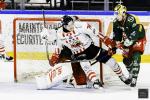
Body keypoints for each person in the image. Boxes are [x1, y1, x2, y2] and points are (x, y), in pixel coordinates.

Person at [41, 15, 131, 89]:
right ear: (64, 26)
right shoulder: (59, 34)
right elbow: (58, 47)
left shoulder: (81, 26)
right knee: (86, 66)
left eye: (72, 23)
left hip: (91, 49)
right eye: (69, 25)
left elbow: (97, 33)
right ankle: (95, 81)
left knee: (111, 61)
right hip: (78, 53)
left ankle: (122, 76)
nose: (72, 26)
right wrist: (54, 57)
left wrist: (109, 43)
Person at [112, 4, 147, 87]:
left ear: (123, 13)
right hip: (128, 39)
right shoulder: (116, 22)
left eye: (117, 13)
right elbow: (117, 36)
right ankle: (131, 75)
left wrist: (126, 43)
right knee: (126, 60)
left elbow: (134, 34)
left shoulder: (131, 19)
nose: (116, 15)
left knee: (136, 56)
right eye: (115, 13)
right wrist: (115, 45)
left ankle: (134, 77)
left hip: (139, 38)